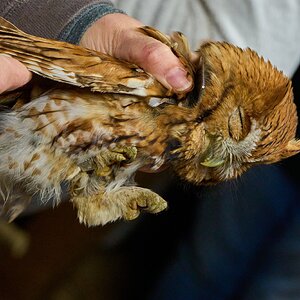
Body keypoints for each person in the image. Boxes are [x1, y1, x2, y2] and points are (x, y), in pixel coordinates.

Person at [1, 1, 300, 299]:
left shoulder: (165, 140)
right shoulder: (156, 81)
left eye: (231, 164)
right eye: (235, 127)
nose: (215, 153)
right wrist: (77, 24)